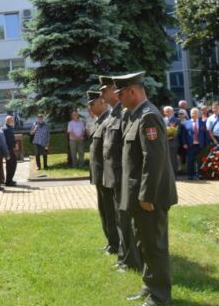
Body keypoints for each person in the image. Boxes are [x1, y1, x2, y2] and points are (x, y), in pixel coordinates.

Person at [114, 72, 178, 306]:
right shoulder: (135, 116)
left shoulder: (148, 117)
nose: (119, 99)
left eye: (120, 94)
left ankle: (160, 297)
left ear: (132, 91)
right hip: (139, 195)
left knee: (155, 246)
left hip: (150, 196)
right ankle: (150, 286)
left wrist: (146, 195)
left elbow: (154, 159)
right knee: (144, 243)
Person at [99, 75, 142, 272]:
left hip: (121, 175)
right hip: (113, 176)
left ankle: (130, 258)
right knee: (118, 218)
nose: (102, 94)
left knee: (124, 220)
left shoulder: (124, 114)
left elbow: (127, 148)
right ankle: (125, 257)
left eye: (104, 90)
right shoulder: (114, 114)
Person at [87, 90, 119, 257]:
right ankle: (110, 242)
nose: (89, 108)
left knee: (110, 212)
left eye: (92, 104)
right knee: (103, 210)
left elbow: (109, 151)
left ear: (101, 103)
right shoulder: (99, 121)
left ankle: (115, 244)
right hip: (99, 176)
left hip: (107, 176)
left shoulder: (107, 121)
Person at [181, 108, 209, 180]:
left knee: (200, 161)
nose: (195, 114)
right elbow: (183, 135)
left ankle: (200, 174)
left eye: (196, 113)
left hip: (200, 145)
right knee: (190, 161)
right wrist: (184, 143)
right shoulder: (186, 123)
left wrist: (206, 144)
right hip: (190, 146)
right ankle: (190, 175)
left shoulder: (202, 123)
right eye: (193, 113)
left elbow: (206, 134)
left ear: (199, 114)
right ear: (190, 114)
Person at [162, 106, 181, 177]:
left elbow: (178, 131)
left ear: (172, 112)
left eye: (168, 111)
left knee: (173, 159)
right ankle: (167, 175)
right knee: (165, 159)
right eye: (166, 111)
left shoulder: (177, 120)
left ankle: (174, 174)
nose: (167, 113)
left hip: (173, 143)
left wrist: (171, 137)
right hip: (164, 143)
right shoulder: (162, 120)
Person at [2, 115, 18, 186]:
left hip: (9, 149)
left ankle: (9, 179)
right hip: (8, 149)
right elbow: (10, 140)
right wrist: (15, 145)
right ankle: (8, 181)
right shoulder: (7, 129)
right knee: (11, 165)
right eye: (12, 120)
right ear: (8, 121)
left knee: (12, 164)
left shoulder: (7, 127)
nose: (13, 121)